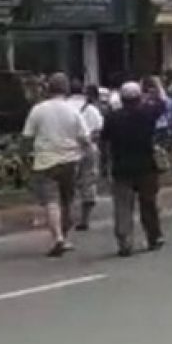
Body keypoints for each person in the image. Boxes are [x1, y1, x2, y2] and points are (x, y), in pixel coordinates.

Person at [22, 72, 91, 257]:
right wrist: (87, 153)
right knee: (67, 200)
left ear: (48, 89)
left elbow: (27, 137)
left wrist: (25, 156)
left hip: (46, 161)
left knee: (51, 202)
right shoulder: (73, 110)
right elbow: (85, 137)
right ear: (66, 89)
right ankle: (65, 237)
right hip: (70, 160)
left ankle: (58, 238)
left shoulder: (38, 109)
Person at [101, 82, 165, 257]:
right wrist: (156, 87)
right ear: (139, 98)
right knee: (149, 203)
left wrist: (104, 165)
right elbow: (162, 103)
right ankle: (154, 236)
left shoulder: (112, 117)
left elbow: (104, 142)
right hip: (146, 165)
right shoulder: (148, 113)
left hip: (121, 167)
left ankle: (125, 241)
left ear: (121, 99)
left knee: (122, 206)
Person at [66, 80, 104, 232]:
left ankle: (67, 216)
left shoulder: (63, 107)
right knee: (88, 182)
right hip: (88, 148)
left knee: (67, 184)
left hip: (67, 149)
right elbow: (98, 130)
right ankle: (84, 219)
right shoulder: (91, 109)